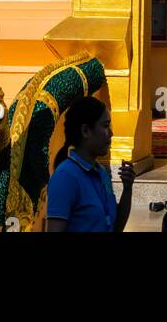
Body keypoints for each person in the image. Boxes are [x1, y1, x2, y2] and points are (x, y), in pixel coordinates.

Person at [46, 97, 135, 232]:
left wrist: (127, 189)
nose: (111, 133)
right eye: (105, 126)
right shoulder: (65, 176)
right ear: (86, 131)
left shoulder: (101, 173)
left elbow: (115, 226)